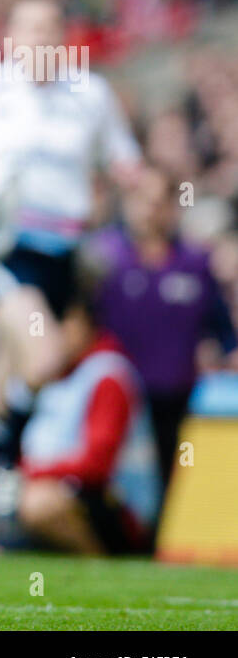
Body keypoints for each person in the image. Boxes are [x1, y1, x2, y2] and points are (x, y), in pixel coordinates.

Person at [0, 0, 142, 534]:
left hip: (65, 257)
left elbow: (124, 162)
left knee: (11, 378)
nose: (40, 39)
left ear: (64, 38)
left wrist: (146, 190)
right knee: (43, 361)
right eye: (29, 29)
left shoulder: (91, 96)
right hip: (3, 249)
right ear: (10, 40)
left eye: (51, 28)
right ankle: (4, 471)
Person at [89, 166, 238, 544]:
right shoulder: (105, 259)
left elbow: (219, 324)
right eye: (144, 201)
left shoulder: (194, 264)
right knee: (113, 486)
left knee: (161, 483)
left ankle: (146, 548)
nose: (151, 211)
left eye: (160, 201)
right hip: (114, 400)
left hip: (171, 396)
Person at [17, 259, 161, 556]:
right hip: (77, 493)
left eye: (60, 324)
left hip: (116, 505)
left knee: (39, 505)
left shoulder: (107, 375)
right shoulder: (64, 376)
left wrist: (33, 471)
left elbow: (97, 463)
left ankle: (98, 565)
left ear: (82, 321)